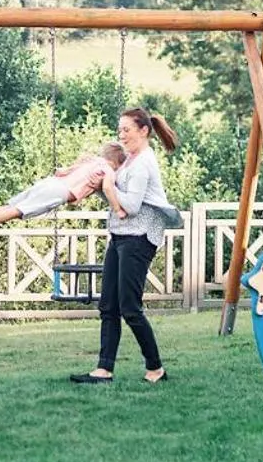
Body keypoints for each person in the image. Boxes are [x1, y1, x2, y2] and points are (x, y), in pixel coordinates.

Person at [71, 107, 183, 386]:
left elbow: (130, 206)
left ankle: (155, 369)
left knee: (130, 308)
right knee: (108, 305)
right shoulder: (130, 160)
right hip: (120, 235)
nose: (121, 135)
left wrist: (108, 188)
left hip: (140, 237)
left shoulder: (144, 162)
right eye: (119, 130)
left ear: (144, 131)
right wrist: (102, 188)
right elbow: (117, 200)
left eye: (127, 130)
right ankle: (103, 370)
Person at [0, 142, 126, 244]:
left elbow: (64, 171)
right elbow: (107, 188)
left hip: (52, 183)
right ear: (116, 163)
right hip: (59, 192)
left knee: (12, 205)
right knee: (18, 211)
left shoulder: (92, 161)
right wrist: (117, 208)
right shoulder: (108, 169)